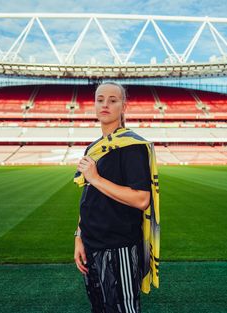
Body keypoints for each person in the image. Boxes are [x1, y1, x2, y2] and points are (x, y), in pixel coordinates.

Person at [74, 82, 152, 313]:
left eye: (112, 100)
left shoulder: (132, 146)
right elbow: (89, 196)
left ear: (123, 106)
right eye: (100, 99)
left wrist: (95, 178)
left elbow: (141, 199)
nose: (105, 104)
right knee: (99, 307)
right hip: (91, 244)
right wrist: (79, 236)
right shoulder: (94, 148)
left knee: (123, 308)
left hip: (119, 247)